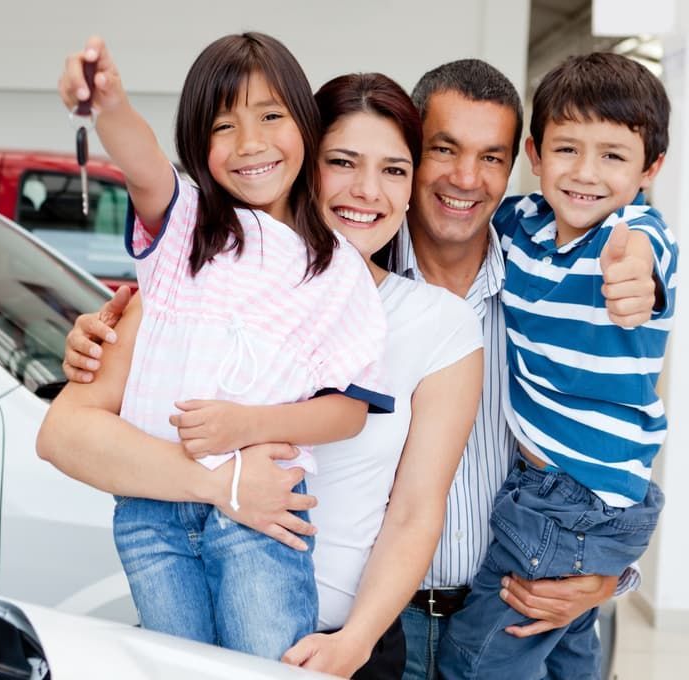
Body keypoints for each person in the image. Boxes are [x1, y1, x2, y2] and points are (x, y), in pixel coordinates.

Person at [61, 57, 662, 680]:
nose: (465, 176)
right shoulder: (229, 278)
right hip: (361, 624)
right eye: (443, 149)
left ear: (517, 166)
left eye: (491, 158)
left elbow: (613, 416)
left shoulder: (543, 288)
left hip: (488, 612)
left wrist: (605, 573)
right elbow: (73, 431)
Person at [41, 68, 485, 678]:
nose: (367, 191)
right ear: (304, 160)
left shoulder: (439, 324)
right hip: (198, 630)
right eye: (343, 162)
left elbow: (416, 511)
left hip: (337, 649)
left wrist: (355, 642)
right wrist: (223, 485)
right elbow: (63, 434)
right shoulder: (201, 281)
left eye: (393, 170)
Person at [437, 52, 676, 680]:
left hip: (571, 502)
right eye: (567, 150)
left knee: (477, 662)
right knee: (569, 658)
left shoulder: (633, 234)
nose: (586, 174)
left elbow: (646, 255)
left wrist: (635, 279)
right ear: (535, 155)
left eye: (614, 156)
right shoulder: (520, 225)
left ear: (651, 167)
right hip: (563, 497)